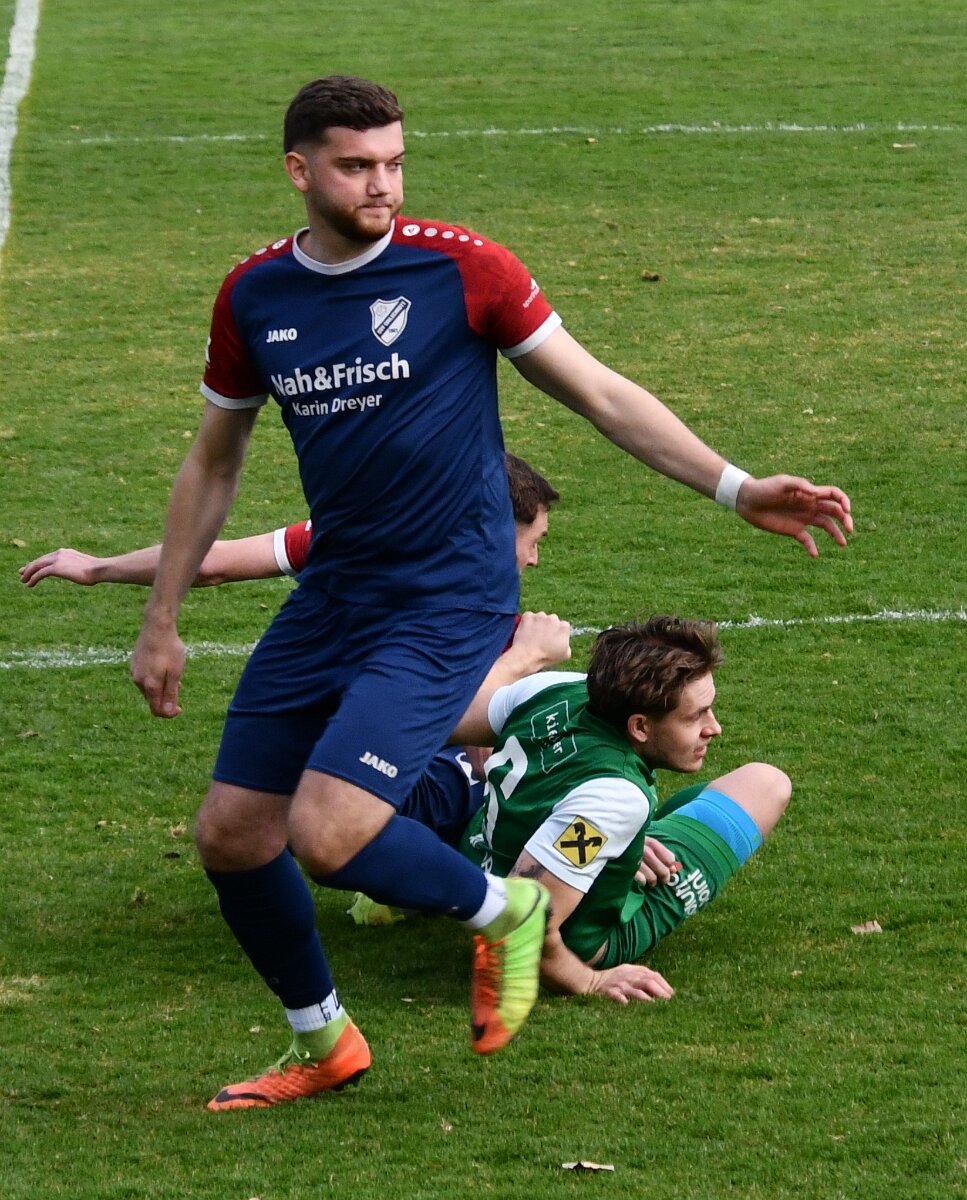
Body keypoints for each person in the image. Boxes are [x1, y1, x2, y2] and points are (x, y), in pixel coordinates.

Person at [127, 75, 852, 1111]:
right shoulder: (256, 295)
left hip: (445, 599)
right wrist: (161, 617)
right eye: (354, 166)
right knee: (233, 834)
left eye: (394, 163)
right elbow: (213, 460)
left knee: (328, 832)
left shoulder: (462, 269)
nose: (381, 185)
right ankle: (324, 1041)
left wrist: (736, 488)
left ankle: (509, 911)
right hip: (336, 594)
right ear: (298, 170)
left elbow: (600, 393)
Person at [448, 615, 788, 1002]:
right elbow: (519, 925)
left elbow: (445, 723)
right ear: (640, 726)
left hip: (482, 869)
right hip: (571, 941)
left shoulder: (555, 689)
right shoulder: (613, 800)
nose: (714, 727)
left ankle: (620, 849)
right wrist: (589, 981)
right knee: (766, 784)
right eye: (696, 715)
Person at [18, 452, 558, 590]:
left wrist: (100, 568)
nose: (533, 560)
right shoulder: (476, 601)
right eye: (532, 541)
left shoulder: (360, 531)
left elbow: (212, 563)